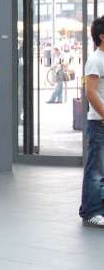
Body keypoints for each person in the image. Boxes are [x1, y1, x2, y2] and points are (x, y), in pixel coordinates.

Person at [79, 15, 104, 228]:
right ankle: (90, 211)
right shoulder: (95, 60)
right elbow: (91, 93)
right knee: (95, 169)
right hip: (99, 123)